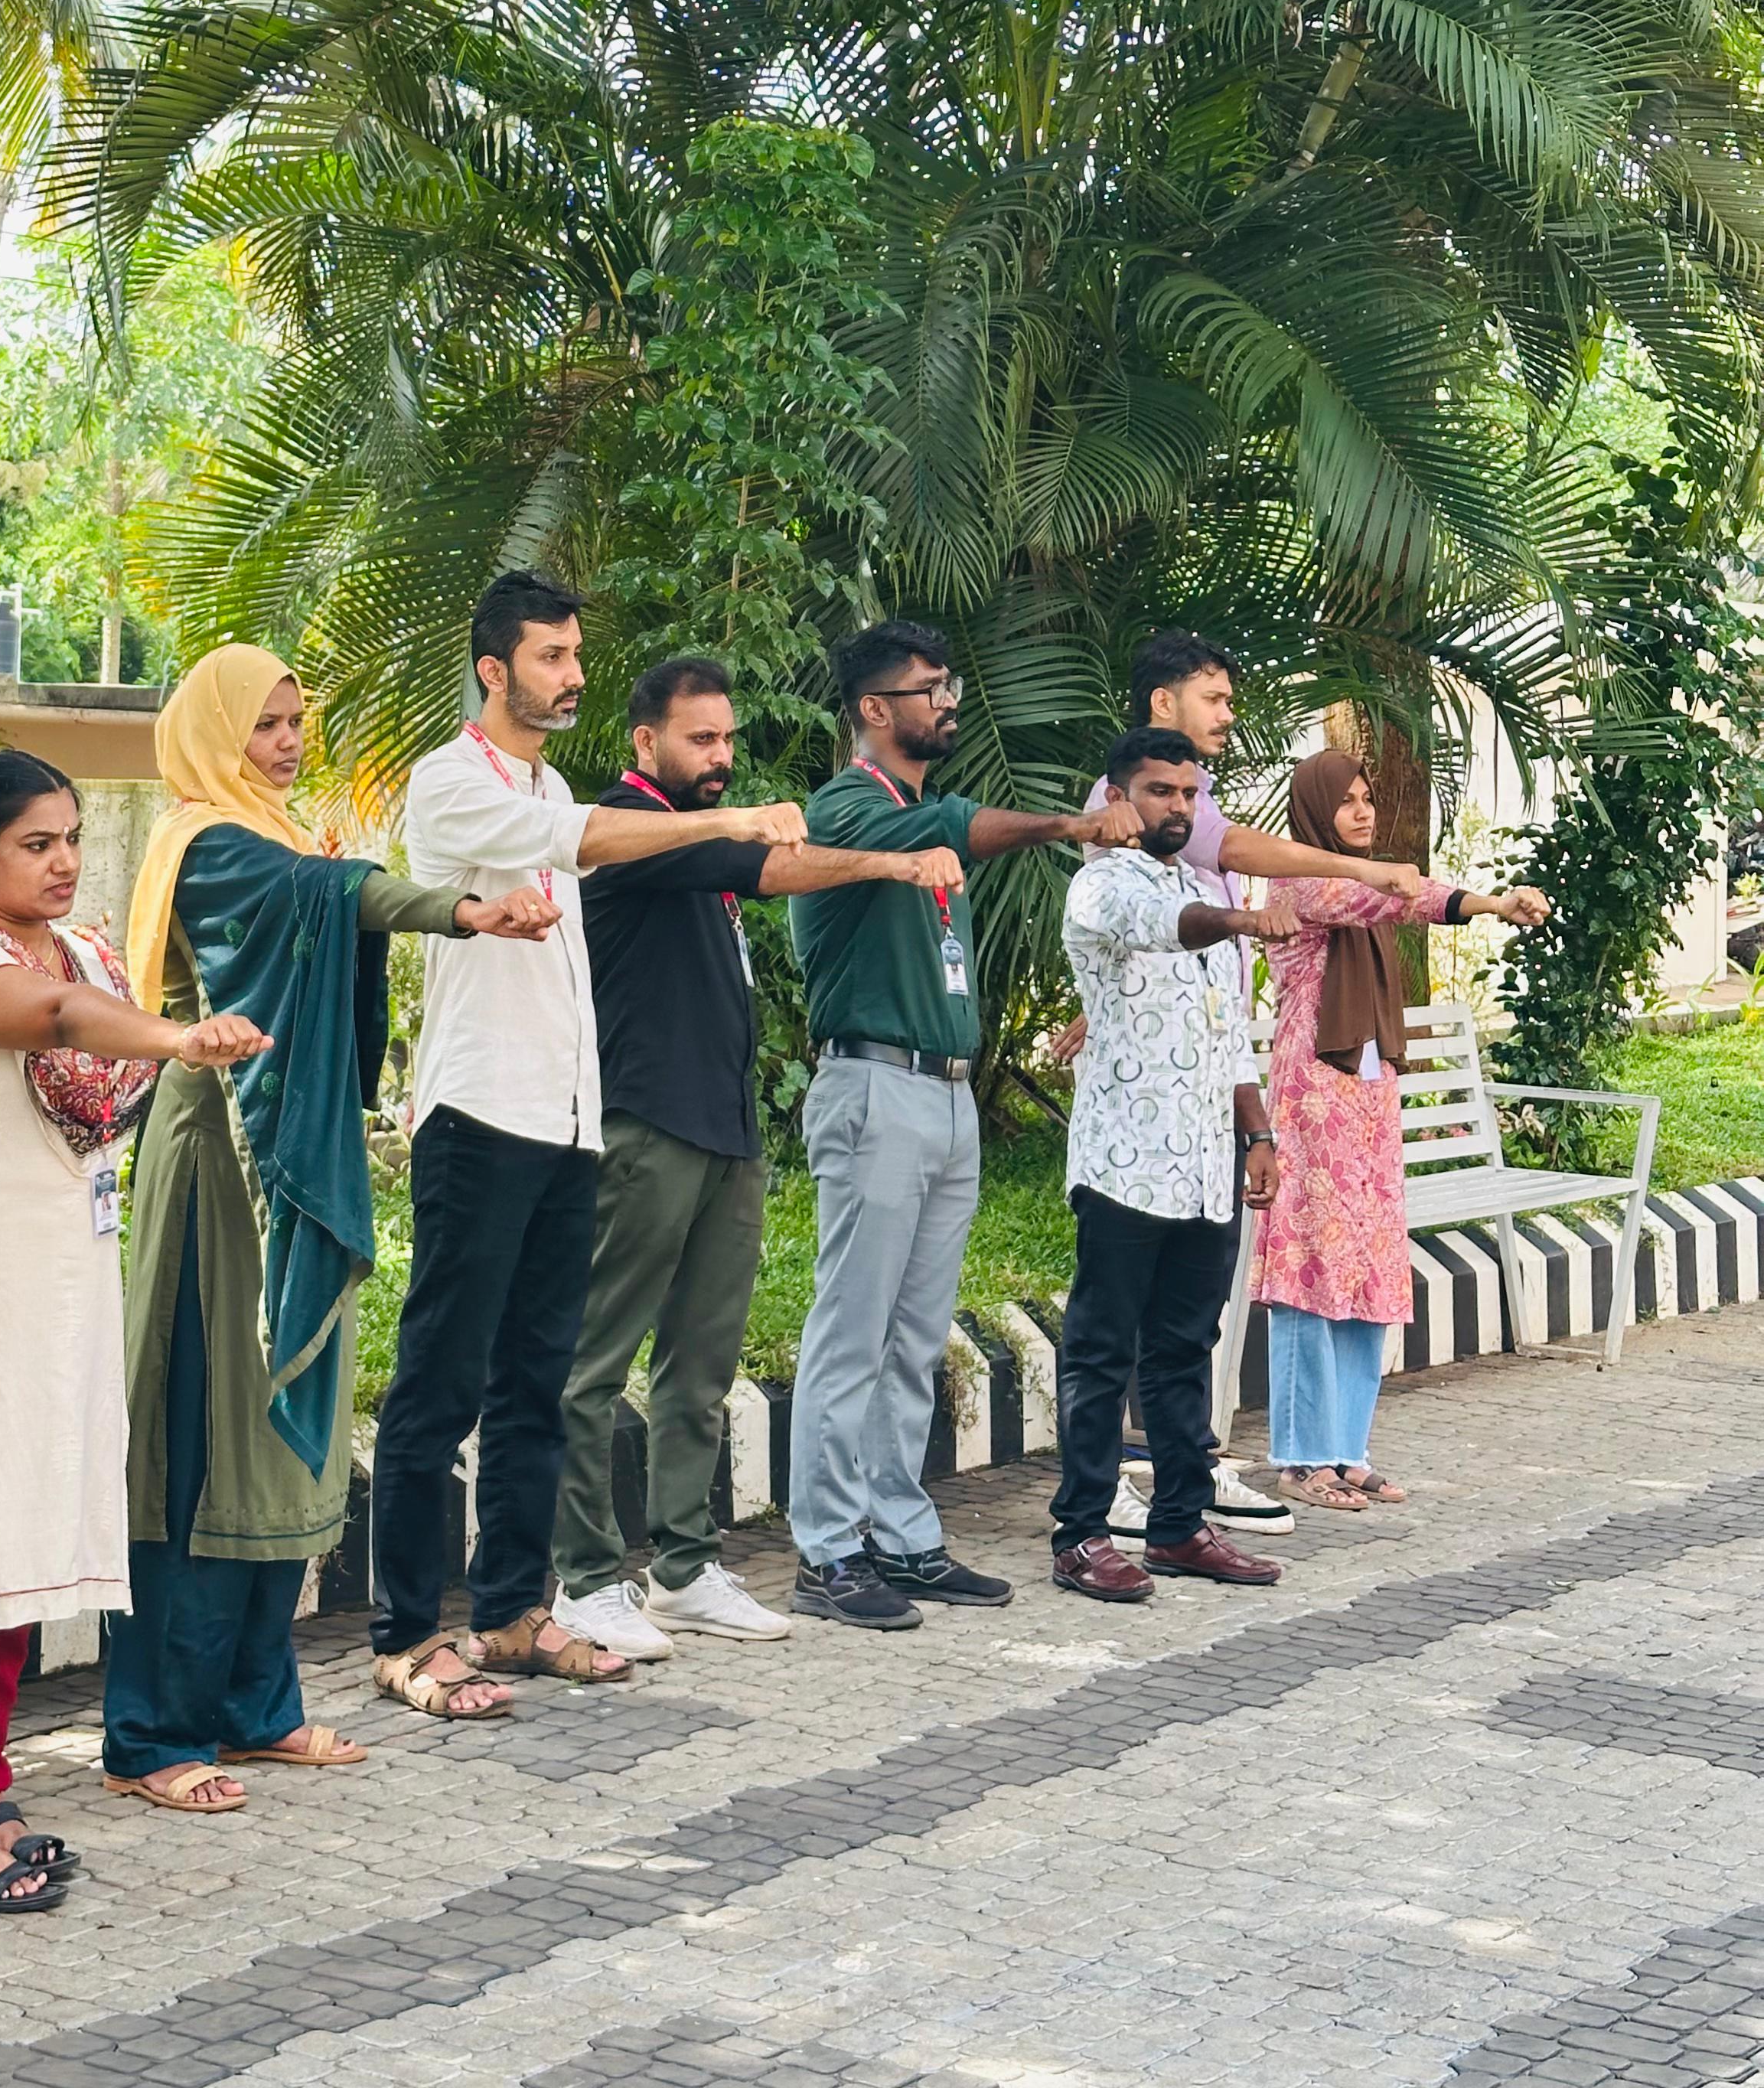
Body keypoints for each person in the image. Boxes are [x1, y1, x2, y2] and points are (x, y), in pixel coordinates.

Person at [106, 644, 558, 1799]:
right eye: (263, 724)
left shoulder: (275, 833)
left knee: (276, 1434)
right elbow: (338, 894)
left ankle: (257, 1706)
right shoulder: (209, 844)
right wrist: (464, 911)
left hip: (291, 1147)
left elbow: (332, 890)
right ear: (214, 734)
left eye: (294, 720)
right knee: (209, 1430)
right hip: (223, 1153)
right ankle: (158, 1732)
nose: (287, 742)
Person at [367, 571, 813, 1718]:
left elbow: (569, 834)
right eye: (551, 656)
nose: (572, 674)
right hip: (480, 1117)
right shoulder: (452, 781)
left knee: (534, 1383)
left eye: (575, 655)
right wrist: (729, 819)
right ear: (494, 670)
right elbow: (584, 840)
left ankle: (513, 1613)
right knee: (439, 1384)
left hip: (566, 1124)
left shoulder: (549, 780)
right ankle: (407, 1637)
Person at [0, 753, 267, 1909]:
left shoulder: (84, 953)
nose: (66, 861)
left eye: (73, 837)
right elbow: (46, 1019)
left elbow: (77, 1006)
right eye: (36, 843)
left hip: (54, 1283)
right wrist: (175, 1038)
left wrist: (155, 1031)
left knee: (22, 1531)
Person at [553, 654, 987, 1663]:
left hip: (725, 1130)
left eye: (728, 739)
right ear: (645, 742)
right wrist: (890, 863)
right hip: (647, 1124)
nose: (720, 756)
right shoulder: (632, 826)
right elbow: (771, 866)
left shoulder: (699, 833)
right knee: (595, 1365)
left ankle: (682, 1569)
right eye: (699, 739)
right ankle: (584, 1579)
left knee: (700, 1366)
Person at [784, 620, 1140, 1631]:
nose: (948, 702)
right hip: (874, 1086)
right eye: (928, 688)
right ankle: (827, 1550)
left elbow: (949, 829)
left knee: (912, 1334)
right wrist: (1071, 825)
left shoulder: (915, 812)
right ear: (873, 709)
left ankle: (900, 1536)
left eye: (949, 685)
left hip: (943, 1095)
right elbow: (962, 826)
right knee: (853, 1328)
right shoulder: (850, 805)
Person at [1073, 631, 1428, 1548]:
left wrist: (1252, 1124)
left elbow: (1206, 974)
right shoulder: (1127, 806)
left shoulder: (1192, 800)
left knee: (1187, 1322)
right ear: (1164, 703)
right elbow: (1183, 903)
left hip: (1208, 1091)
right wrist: (1352, 871)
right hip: (1140, 1113)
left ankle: (1185, 1484)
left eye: (1189, 796)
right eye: (1216, 697)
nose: (1229, 715)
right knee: (1116, 1318)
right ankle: (1099, 1499)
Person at [1253, 748, 1548, 1507]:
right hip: (1312, 1097)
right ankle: (1300, 1459)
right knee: (1311, 1274)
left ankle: (1346, 1449)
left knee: (1367, 1270)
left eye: (1367, 799)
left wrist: (1492, 904)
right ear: (1314, 811)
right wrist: (1485, 904)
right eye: (1345, 801)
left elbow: (1400, 896)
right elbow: (1390, 900)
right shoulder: (1300, 882)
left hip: (1370, 1097)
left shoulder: (1364, 881)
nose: (1362, 812)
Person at [1052, 726, 1297, 1604]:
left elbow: (1229, 1035)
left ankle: (1181, 1528)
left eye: (1191, 794)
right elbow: (1168, 930)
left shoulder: (1199, 885)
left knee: (1186, 1348)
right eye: (1162, 791)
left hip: (1203, 1164)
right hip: (1125, 1164)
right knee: (1100, 1353)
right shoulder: (1100, 886)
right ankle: (1081, 1536)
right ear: (1119, 798)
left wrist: (1258, 1134)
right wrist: (1244, 919)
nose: (1180, 808)